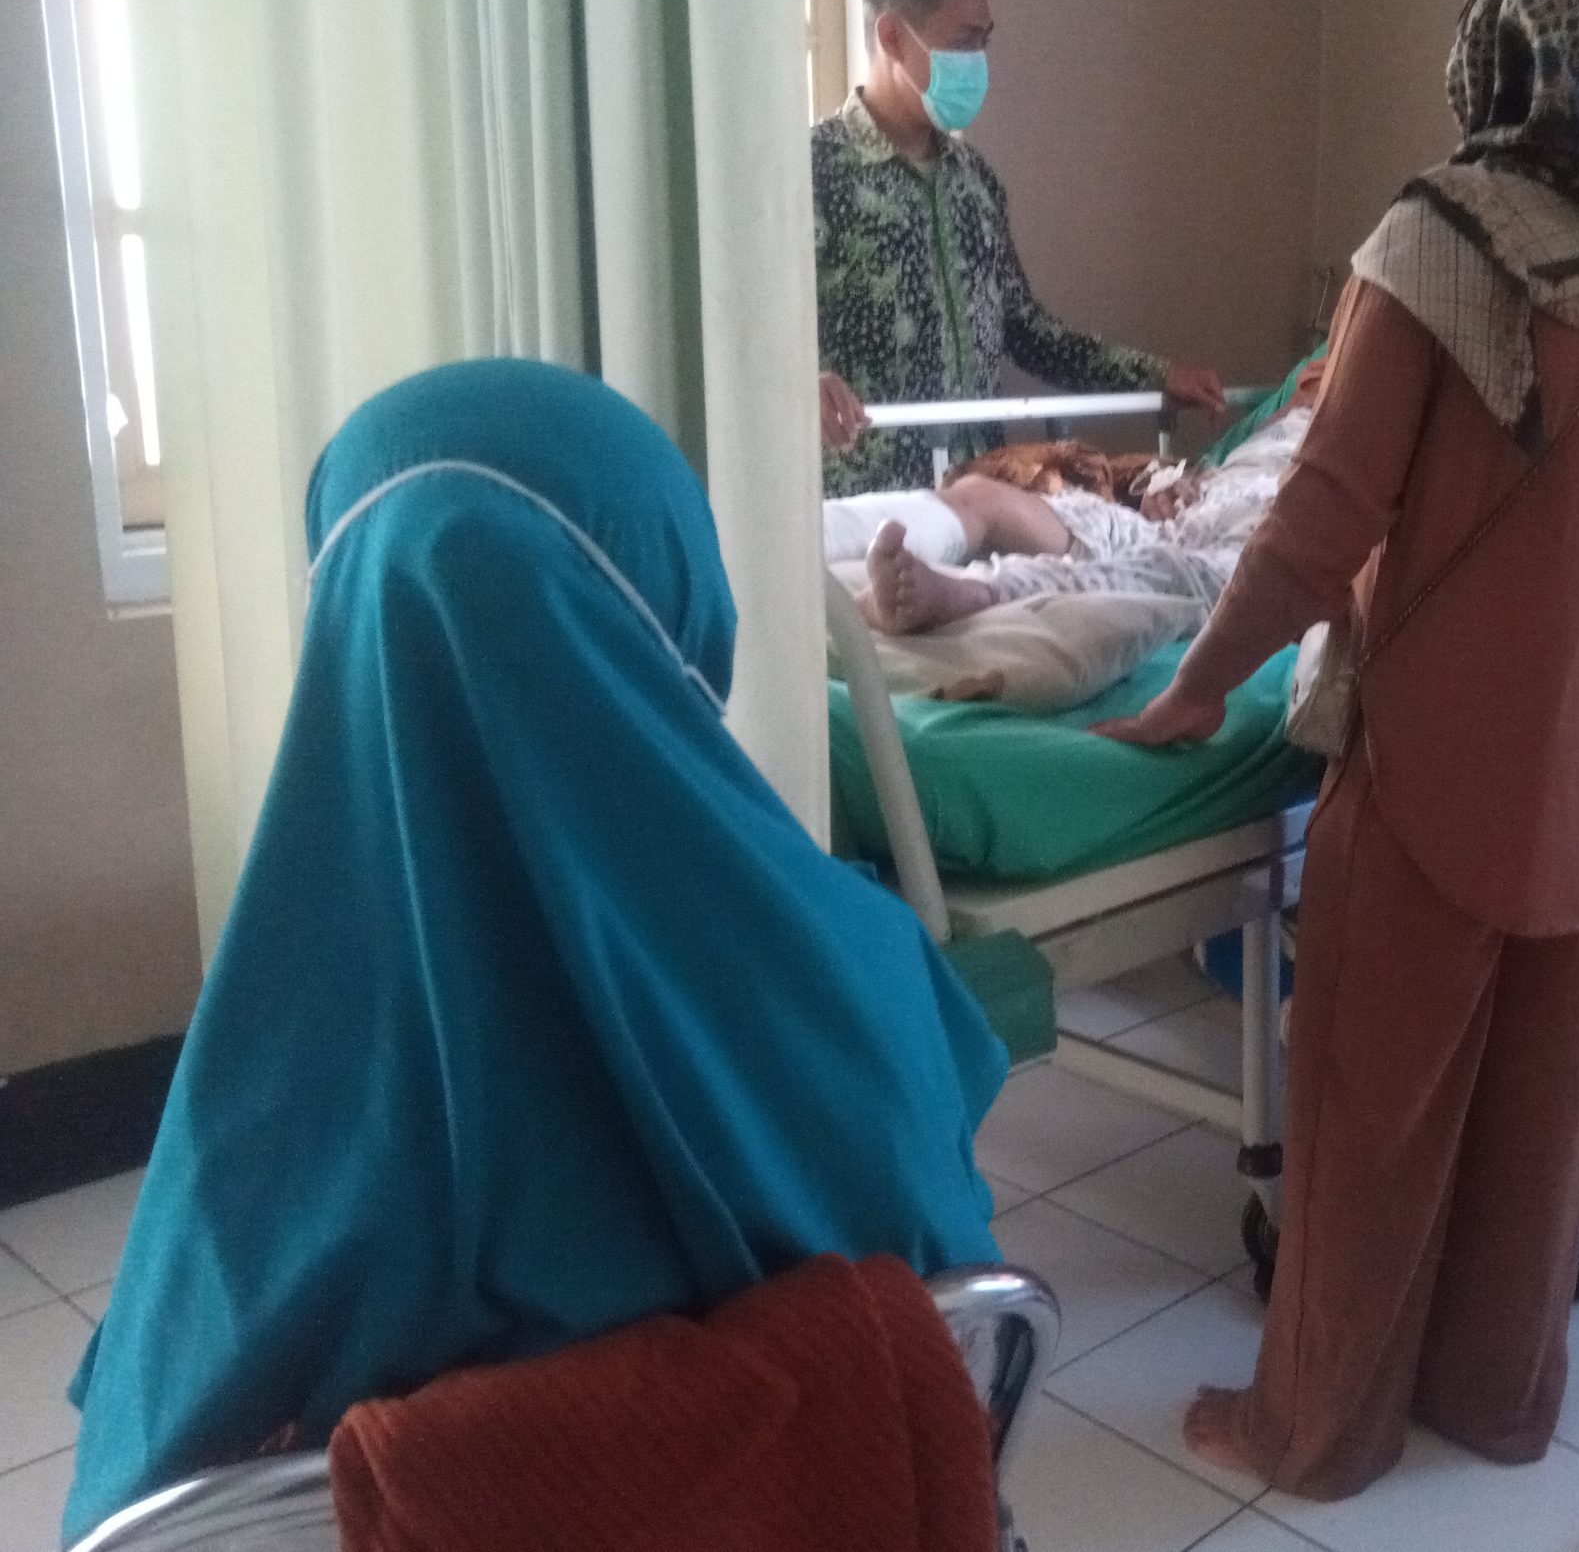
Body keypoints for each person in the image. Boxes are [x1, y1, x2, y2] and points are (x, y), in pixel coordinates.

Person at [61, 362, 1009, 1543]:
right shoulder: (864, 981)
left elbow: (135, 1495)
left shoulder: (247, 1137)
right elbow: (958, 1312)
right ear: (671, 597)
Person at [1096, 0, 1579, 1500]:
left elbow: (1324, 512)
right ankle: (1499, 1396)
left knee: (1371, 1116)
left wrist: (1200, 686)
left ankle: (1318, 1429)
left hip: (1441, 768)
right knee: (1543, 1126)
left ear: (1488, 63)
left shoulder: (1445, 236)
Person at [812, 0, 1226, 493]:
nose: (977, 63)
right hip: (865, 506)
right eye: (963, 43)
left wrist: (1157, 375)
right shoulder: (814, 174)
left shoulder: (974, 182)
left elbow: (1027, 331)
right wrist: (803, 382)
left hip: (982, 495)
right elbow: (749, 337)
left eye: (983, 43)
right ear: (892, 37)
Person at [829, 372, 1321, 632]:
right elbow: (1234, 465)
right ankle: (813, 537)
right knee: (983, 494)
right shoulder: (1303, 398)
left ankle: (972, 594)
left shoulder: (1364, 435)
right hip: (1196, 510)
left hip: (1277, 534)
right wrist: (1179, 481)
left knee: (1167, 574)